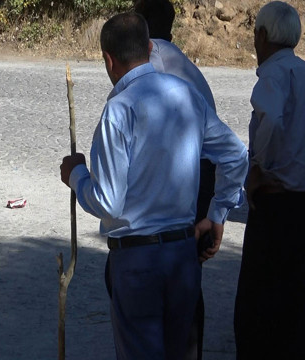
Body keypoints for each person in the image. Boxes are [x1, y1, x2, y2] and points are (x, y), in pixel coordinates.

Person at [59, 12, 248, 359]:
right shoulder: (187, 94)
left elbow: (109, 202)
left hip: (137, 262)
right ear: (150, 47)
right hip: (181, 256)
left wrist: (76, 176)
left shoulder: (118, 110)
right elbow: (236, 155)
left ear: (108, 60)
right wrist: (217, 212)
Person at [134, 1, 218, 358]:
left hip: (182, 175)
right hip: (203, 171)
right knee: (186, 271)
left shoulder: (150, 66)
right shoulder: (187, 66)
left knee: (155, 265)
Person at [233, 2, 305, 359]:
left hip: (276, 203)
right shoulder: (303, 73)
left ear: (261, 35)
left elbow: (272, 120)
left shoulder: (273, 74)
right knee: (294, 310)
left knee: (258, 311)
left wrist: (258, 167)